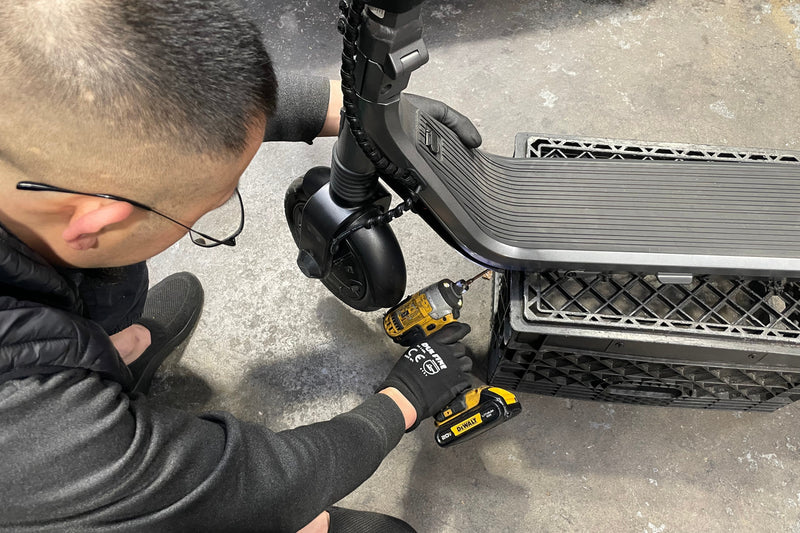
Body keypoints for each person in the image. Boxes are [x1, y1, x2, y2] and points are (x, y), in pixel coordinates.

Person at [0, 1, 482, 531]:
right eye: (207, 211)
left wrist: (359, 110)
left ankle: (104, 347)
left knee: (117, 285)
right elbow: (262, 483)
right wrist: (404, 398)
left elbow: (162, 111)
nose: (207, 215)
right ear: (94, 222)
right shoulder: (41, 436)